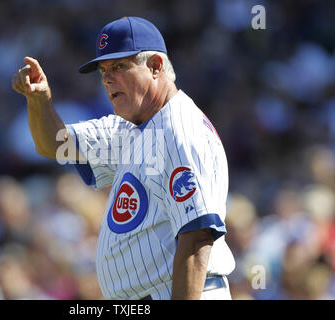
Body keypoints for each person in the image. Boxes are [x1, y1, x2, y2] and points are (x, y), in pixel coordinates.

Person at [12, 16, 235, 300]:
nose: (106, 78)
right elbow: (54, 145)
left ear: (155, 66)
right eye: (103, 70)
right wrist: (38, 101)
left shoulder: (178, 130)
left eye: (119, 66)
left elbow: (197, 238)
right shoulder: (131, 127)